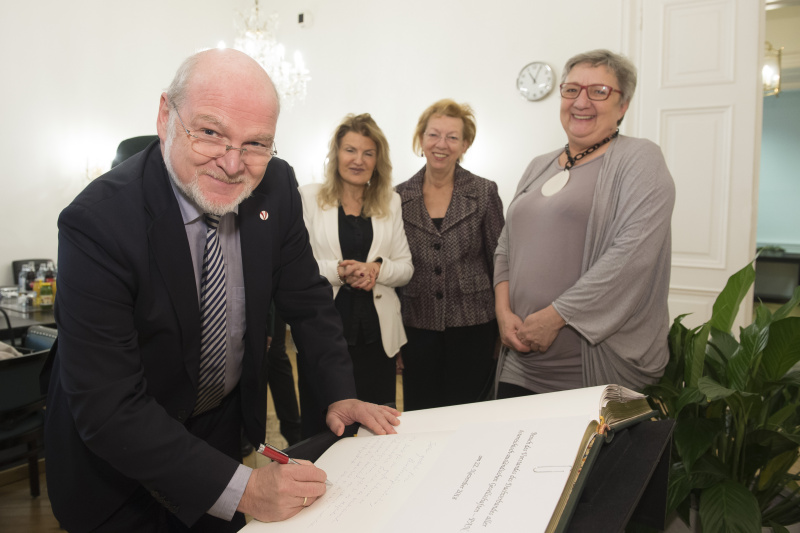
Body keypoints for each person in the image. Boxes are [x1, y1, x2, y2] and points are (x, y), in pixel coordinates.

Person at [42, 49, 400, 533]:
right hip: (116, 466)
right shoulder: (97, 222)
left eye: (256, 143)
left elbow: (309, 301)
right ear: (167, 115)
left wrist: (339, 393)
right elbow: (109, 406)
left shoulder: (275, 184)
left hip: (217, 431)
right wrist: (248, 490)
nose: (234, 164)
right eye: (210, 132)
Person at [493, 49, 675, 399]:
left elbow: (631, 257)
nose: (582, 101)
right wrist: (503, 312)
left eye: (599, 91)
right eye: (572, 89)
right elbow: (506, 244)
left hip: (591, 367)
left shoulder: (640, 159)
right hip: (521, 359)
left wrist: (556, 317)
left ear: (623, 106)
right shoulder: (539, 165)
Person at [298, 113, 413, 436]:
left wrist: (377, 270)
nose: (358, 160)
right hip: (325, 335)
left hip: (378, 340)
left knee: (377, 429)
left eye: (368, 153)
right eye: (350, 150)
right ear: (336, 154)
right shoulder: (308, 197)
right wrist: (339, 271)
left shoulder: (391, 202)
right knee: (323, 429)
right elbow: (297, 265)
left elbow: (405, 267)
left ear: (378, 160)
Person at [395, 99, 504, 411]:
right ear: (421, 139)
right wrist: (395, 340)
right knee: (422, 414)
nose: (441, 144)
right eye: (433, 135)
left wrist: (499, 333)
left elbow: (500, 263)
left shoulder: (484, 192)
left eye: (452, 137)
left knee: (470, 414)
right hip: (417, 328)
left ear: (465, 144)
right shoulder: (399, 196)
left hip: (474, 327)